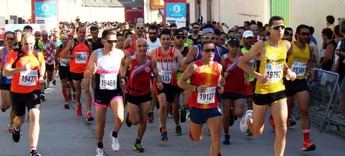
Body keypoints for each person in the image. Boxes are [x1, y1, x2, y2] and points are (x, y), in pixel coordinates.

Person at [238, 16, 296, 156]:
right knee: (257, 132)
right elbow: (242, 63)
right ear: (269, 29)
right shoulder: (261, 45)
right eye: (277, 27)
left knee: (282, 127)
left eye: (282, 26)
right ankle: (249, 119)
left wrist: (288, 70)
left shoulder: (287, 45)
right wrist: (257, 76)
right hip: (262, 91)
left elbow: (281, 62)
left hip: (279, 90)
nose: (280, 30)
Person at [83, 30, 126, 156]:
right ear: (103, 42)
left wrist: (123, 77)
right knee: (101, 124)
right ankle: (100, 145)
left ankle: (114, 134)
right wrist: (92, 71)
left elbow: (124, 64)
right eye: (110, 41)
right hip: (101, 93)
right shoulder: (96, 54)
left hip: (115, 92)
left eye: (115, 41)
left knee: (120, 117)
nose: (113, 44)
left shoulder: (120, 53)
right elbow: (86, 73)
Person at [178, 41, 224, 156]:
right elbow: (180, 82)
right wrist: (195, 88)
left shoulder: (218, 66)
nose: (210, 53)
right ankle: (192, 123)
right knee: (197, 137)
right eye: (207, 50)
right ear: (202, 52)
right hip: (197, 107)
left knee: (216, 136)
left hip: (212, 107)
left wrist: (219, 87)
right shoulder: (194, 66)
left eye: (212, 50)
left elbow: (217, 83)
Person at [3, 33, 46, 156]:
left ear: (35, 43)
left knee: (34, 116)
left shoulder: (38, 54)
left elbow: (42, 65)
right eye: (26, 44)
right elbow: (5, 72)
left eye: (31, 44)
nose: (29, 47)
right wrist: (20, 69)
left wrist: (42, 76)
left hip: (33, 90)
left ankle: (33, 150)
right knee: (19, 119)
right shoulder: (15, 53)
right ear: (21, 43)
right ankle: (16, 129)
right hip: (17, 92)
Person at [284, 24, 316, 151]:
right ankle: (276, 121)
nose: (306, 36)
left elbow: (309, 62)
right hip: (287, 81)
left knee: (304, 110)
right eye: (303, 34)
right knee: (286, 112)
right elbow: (281, 60)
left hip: (301, 82)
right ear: (297, 34)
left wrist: (311, 70)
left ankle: (307, 141)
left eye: (308, 34)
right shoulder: (290, 47)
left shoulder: (310, 48)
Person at [148, 29, 184, 142]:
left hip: (173, 84)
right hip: (160, 83)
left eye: (168, 39)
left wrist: (178, 68)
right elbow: (148, 67)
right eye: (163, 39)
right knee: (163, 105)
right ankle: (163, 129)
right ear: (160, 40)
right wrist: (153, 80)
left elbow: (183, 66)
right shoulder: (154, 53)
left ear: (171, 39)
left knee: (174, 110)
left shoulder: (176, 52)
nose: (165, 41)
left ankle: (177, 124)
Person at [121, 38, 153, 153]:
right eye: (139, 46)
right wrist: (123, 78)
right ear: (135, 48)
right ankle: (130, 116)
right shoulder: (130, 59)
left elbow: (156, 73)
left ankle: (138, 142)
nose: (142, 48)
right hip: (132, 93)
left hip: (145, 94)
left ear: (147, 47)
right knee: (135, 121)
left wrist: (158, 81)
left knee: (143, 120)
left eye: (144, 46)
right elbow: (123, 67)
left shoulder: (150, 60)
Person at [62, 26, 94, 121]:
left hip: (85, 71)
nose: (82, 34)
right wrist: (73, 56)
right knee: (78, 91)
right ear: (77, 33)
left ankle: (88, 112)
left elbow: (91, 57)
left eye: (83, 32)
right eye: (80, 32)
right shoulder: (72, 42)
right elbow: (63, 54)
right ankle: (78, 104)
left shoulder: (89, 44)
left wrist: (91, 67)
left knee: (87, 90)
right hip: (75, 71)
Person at [220, 37, 246, 145]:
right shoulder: (224, 58)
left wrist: (247, 78)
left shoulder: (242, 57)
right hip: (226, 89)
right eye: (233, 46)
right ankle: (226, 135)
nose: (235, 48)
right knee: (225, 115)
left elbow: (247, 68)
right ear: (228, 47)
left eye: (237, 46)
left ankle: (232, 114)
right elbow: (219, 73)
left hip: (239, 89)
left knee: (239, 112)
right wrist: (223, 75)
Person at [0, 31, 16, 132]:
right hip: (4, 80)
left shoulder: (17, 51)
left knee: (14, 104)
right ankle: (3, 106)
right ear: (4, 39)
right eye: (7, 38)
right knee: (8, 105)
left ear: (14, 40)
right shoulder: (1, 52)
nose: (9, 41)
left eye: (11, 39)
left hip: (15, 81)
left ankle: (11, 124)